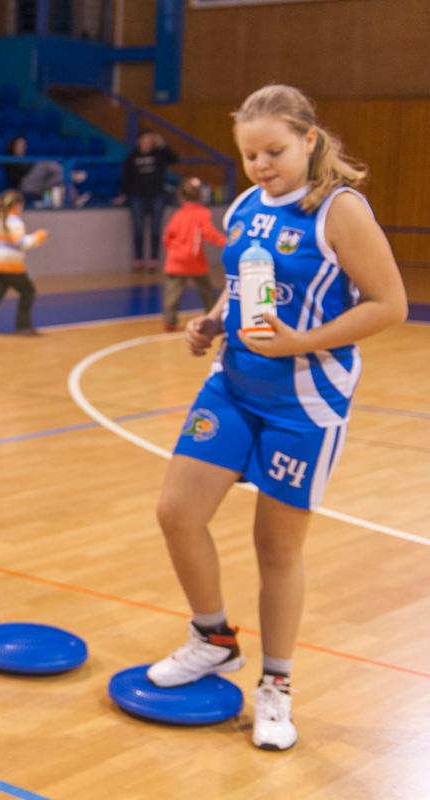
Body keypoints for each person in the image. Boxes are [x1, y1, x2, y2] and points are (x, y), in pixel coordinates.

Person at [147, 84, 407, 752]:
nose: (261, 166)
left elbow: (390, 305)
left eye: (274, 152)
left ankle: (277, 684)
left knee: (276, 548)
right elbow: (243, 285)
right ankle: (213, 638)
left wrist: (301, 342)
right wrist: (213, 319)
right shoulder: (244, 205)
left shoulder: (339, 210)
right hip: (232, 385)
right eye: (250, 155)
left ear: (308, 140)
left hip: (306, 401)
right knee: (177, 512)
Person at [0, 189, 48, 335]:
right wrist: (38, 237)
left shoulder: (1, 220)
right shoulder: (15, 222)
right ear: (17, 205)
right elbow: (20, 243)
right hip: (11, 265)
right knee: (28, 292)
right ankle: (23, 326)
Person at [160, 176, 225, 332]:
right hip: (195, 260)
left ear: (181, 196)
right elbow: (209, 233)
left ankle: (170, 321)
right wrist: (226, 242)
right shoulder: (203, 213)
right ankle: (213, 317)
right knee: (206, 290)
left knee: (172, 293)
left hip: (176, 259)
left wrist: (174, 250)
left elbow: (167, 236)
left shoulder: (178, 214)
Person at [119, 130, 177, 272]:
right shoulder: (133, 156)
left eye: (149, 140)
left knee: (155, 229)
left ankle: (153, 259)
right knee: (138, 228)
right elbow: (127, 177)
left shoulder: (159, 154)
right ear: (139, 141)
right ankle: (138, 259)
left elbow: (174, 159)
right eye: (144, 140)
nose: (146, 143)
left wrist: (162, 144)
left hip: (157, 195)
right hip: (137, 196)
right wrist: (124, 194)